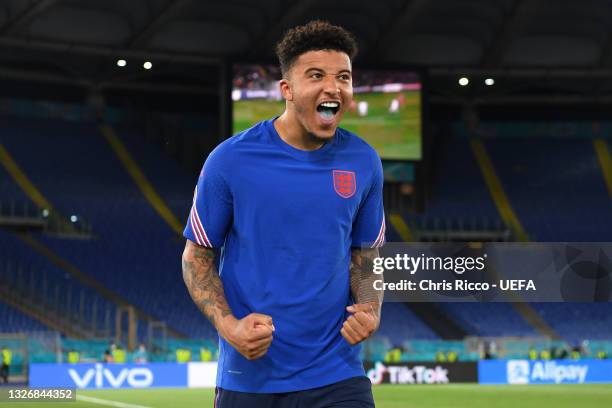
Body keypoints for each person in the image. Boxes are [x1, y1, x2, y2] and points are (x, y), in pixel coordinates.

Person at [182, 20, 385, 407]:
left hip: (338, 375)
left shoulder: (364, 162)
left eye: (343, 76)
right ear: (287, 90)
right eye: (316, 75)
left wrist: (370, 306)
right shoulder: (230, 160)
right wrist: (230, 327)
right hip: (249, 378)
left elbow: (368, 256)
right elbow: (196, 257)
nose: (333, 87)